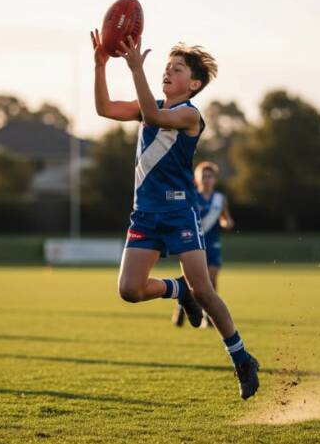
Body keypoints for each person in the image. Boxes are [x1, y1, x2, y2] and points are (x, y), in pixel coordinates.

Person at [92, 31, 259, 399]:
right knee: (129, 290)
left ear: (194, 83)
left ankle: (242, 358)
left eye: (177, 68)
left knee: (206, 289)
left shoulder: (189, 115)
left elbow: (154, 116)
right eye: (166, 67)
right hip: (145, 215)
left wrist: (136, 67)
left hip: (179, 212)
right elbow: (104, 109)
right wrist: (100, 66)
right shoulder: (148, 104)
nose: (167, 71)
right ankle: (178, 289)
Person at [173, 161, 234, 328]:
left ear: (214, 179)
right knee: (193, 280)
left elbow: (225, 218)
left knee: (212, 278)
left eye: (210, 176)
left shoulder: (220, 199)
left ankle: (209, 315)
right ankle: (182, 306)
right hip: (193, 241)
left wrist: (227, 223)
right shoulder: (191, 195)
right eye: (203, 176)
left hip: (212, 242)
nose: (207, 179)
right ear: (197, 179)